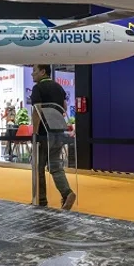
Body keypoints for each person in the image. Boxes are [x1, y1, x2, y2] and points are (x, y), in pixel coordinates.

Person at [30, 64, 76, 210]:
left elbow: (37, 111)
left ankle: (41, 200)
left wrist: (35, 133)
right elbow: (64, 107)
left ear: (43, 72)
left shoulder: (38, 88)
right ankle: (66, 192)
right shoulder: (58, 87)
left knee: (39, 167)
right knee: (55, 166)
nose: (32, 75)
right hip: (58, 132)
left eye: (34, 72)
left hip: (44, 134)